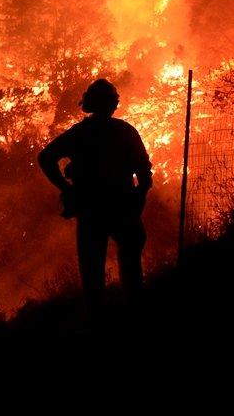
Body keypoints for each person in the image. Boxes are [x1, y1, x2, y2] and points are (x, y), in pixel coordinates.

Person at [37, 78, 152, 310]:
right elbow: (144, 172)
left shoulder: (80, 133)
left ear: (89, 104)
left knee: (92, 275)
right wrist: (137, 201)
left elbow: (45, 157)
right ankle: (135, 316)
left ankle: (97, 321)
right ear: (113, 104)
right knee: (131, 271)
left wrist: (67, 188)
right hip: (122, 207)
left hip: (91, 210)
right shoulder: (125, 131)